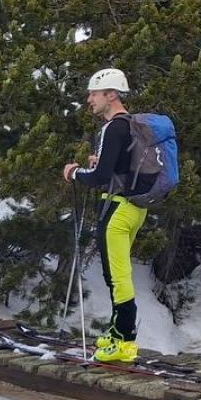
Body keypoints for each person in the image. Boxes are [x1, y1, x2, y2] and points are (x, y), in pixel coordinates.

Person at [62, 67, 155, 363]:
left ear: (111, 95)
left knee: (117, 277)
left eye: (94, 93)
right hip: (134, 209)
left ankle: (125, 341)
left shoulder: (113, 127)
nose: (89, 99)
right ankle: (118, 334)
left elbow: (100, 176)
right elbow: (117, 167)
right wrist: (99, 164)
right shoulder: (129, 126)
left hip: (117, 210)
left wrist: (75, 172)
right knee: (117, 274)